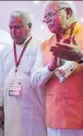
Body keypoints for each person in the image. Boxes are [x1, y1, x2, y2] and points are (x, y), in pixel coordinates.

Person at [31, 1, 83, 136]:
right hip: (55, 119)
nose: (46, 20)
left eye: (50, 14)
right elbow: (34, 80)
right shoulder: (45, 45)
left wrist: (80, 58)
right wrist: (50, 67)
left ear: (68, 12)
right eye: (45, 17)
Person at [0, 10, 47, 136]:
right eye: (10, 27)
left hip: (33, 106)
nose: (13, 31)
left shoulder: (41, 47)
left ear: (29, 27)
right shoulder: (5, 51)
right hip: (11, 105)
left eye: (17, 27)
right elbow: (1, 80)